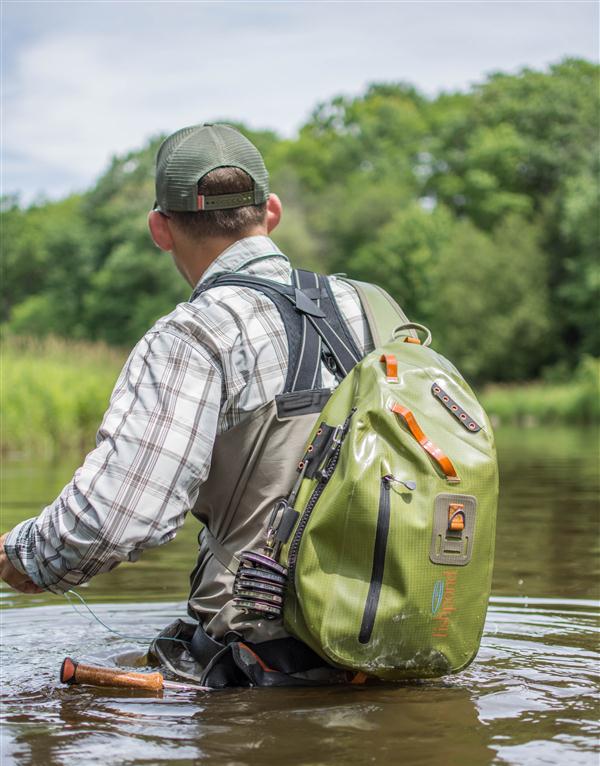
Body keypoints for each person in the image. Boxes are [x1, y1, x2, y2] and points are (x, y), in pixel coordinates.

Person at [0, 123, 377, 685]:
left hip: (268, 666)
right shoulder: (372, 308)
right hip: (397, 637)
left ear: (160, 228)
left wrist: (26, 555)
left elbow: (115, 518)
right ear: (271, 212)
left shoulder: (194, 334)